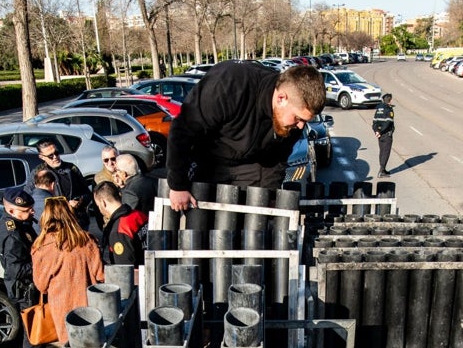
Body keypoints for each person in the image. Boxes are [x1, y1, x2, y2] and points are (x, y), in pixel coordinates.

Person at [166, 62, 326, 211]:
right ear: (281, 98)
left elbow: (277, 159)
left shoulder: (292, 124)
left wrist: (269, 195)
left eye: (305, 121)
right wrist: (178, 185)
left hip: (251, 165)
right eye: (298, 118)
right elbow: (183, 130)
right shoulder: (230, 84)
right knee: (202, 227)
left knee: (251, 228)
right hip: (208, 158)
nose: (300, 126)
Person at [0, 186, 53, 348]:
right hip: (25, 290)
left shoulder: (19, 224)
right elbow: (16, 269)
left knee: (38, 333)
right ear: (12, 211)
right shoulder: (12, 234)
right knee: (33, 335)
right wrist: (42, 263)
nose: (32, 212)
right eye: (26, 210)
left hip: (29, 287)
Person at [31, 197, 104, 345]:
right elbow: (100, 275)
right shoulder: (87, 240)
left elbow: (41, 286)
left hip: (62, 311)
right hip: (91, 308)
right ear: (70, 215)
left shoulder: (41, 247)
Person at [29, 139, 91, 228]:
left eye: (56, 153)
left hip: (77, 222)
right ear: (42, 157)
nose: (55, 157)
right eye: (50, 156)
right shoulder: (37, 173)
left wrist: (79, 201)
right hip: (54, 225)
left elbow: (87, 193)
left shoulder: (71, 169)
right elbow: (29, 198)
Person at [93, 181, 148, 266]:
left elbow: (124, 269)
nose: (100, 210)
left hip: (136, 277)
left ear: (103, 203)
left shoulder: (118, 230)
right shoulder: (139, 215)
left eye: (98, 206)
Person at [372, 92, 396, 175]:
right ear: (390, 100)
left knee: (381, 151)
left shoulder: (378, 109)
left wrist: (376, 131)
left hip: (379, 135)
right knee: (386, 152)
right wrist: (381, 131)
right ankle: (381, 170)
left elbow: (374, 122)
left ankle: (383, 168)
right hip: (386, 134)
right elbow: (388, 123)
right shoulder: (389, 109)